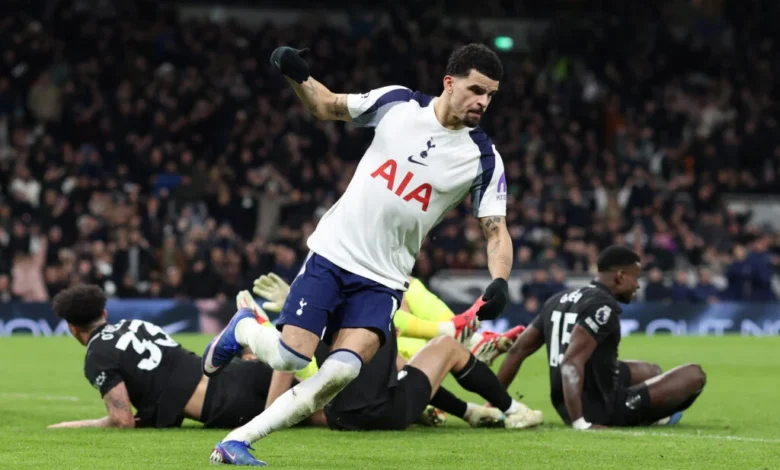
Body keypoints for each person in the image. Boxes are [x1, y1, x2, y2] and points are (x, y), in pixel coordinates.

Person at [205, 42, 513, 466]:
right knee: (289, 356)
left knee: (344, 370)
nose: (483, 101)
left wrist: (500, 280)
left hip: (384, 279)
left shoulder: (483, 158)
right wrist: (297, 75)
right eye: (476, 89)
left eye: (490, 95)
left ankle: (238, 440)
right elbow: (326, 105)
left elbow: (495, 230)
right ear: (449, 82)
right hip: (334, 254)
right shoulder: (398, 104)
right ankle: (243, 328)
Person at [244, 271, 542, 438]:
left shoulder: (320, 308)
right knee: (446, 348)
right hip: (383, 413)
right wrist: (454, 328)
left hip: (339, 417)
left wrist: (293, 302)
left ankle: (469, 411)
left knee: (401, 366)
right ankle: (515, 410)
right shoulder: (376, 299)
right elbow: (409, 323)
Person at [496, 246, 707, 430]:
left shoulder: (559, 298)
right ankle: (649, 415)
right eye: (636, 277)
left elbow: (517, 350)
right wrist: (580, 423)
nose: (638, 285)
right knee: (695, 375)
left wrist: (494, 403)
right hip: (597, 408)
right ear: (620, 276)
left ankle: (647, 409)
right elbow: (571, 362)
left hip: (565, 400)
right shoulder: (603, 307)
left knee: (652, 371)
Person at [47, 285, 313, 430]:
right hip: (244, 372)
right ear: (104, 314)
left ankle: (271, 338)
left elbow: (122, 420)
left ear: (72, 328)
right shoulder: (134, 325)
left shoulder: (97, 355)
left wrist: (71, 425)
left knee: (324, 416)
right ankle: (266, 340)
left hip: (226, 405)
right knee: (321, 401)